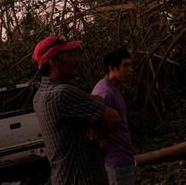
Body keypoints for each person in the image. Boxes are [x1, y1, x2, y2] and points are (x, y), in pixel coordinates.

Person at [32, 35, 121, 185]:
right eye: (70, 55)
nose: (76, 60)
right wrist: (102, 132)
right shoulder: (63, 93)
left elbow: (94, 100)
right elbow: (114, 118)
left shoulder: (40, 95)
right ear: (53, 61)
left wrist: (93, 121)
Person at [92, 48, 137, 185]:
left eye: (131, 65)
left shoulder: (114, 88)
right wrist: (102, 138)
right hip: (115, 162)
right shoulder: (104, 92)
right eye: (125, 65)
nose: (130, 70)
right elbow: (94, 129)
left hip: (123, 158)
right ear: (112, 68)